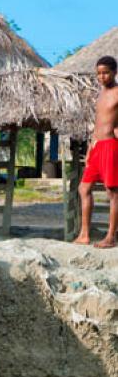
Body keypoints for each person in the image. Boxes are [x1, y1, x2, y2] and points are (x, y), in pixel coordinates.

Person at [76, 56, 118, 249]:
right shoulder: (100, 94)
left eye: (105, 73)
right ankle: (84, 234)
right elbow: (98, 122)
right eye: (99, 73)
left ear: (114, 72)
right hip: (96, 146)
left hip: (111, 145)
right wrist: (90, 147)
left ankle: (110, 237)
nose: (102, 77)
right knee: (83, 188)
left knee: (112, 192)